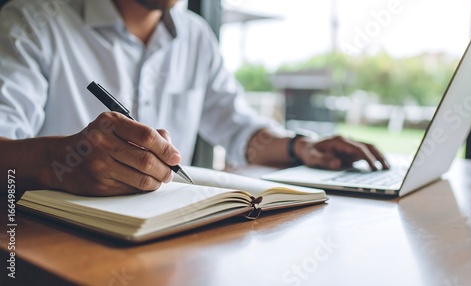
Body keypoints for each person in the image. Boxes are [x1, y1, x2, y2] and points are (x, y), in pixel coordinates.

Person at [0, 0, 389, 197]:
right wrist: (57, 161)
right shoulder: (33, 23)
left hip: (169, 240)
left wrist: (302, 147)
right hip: (51, 245)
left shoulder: (196, 35)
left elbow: (238, 128)